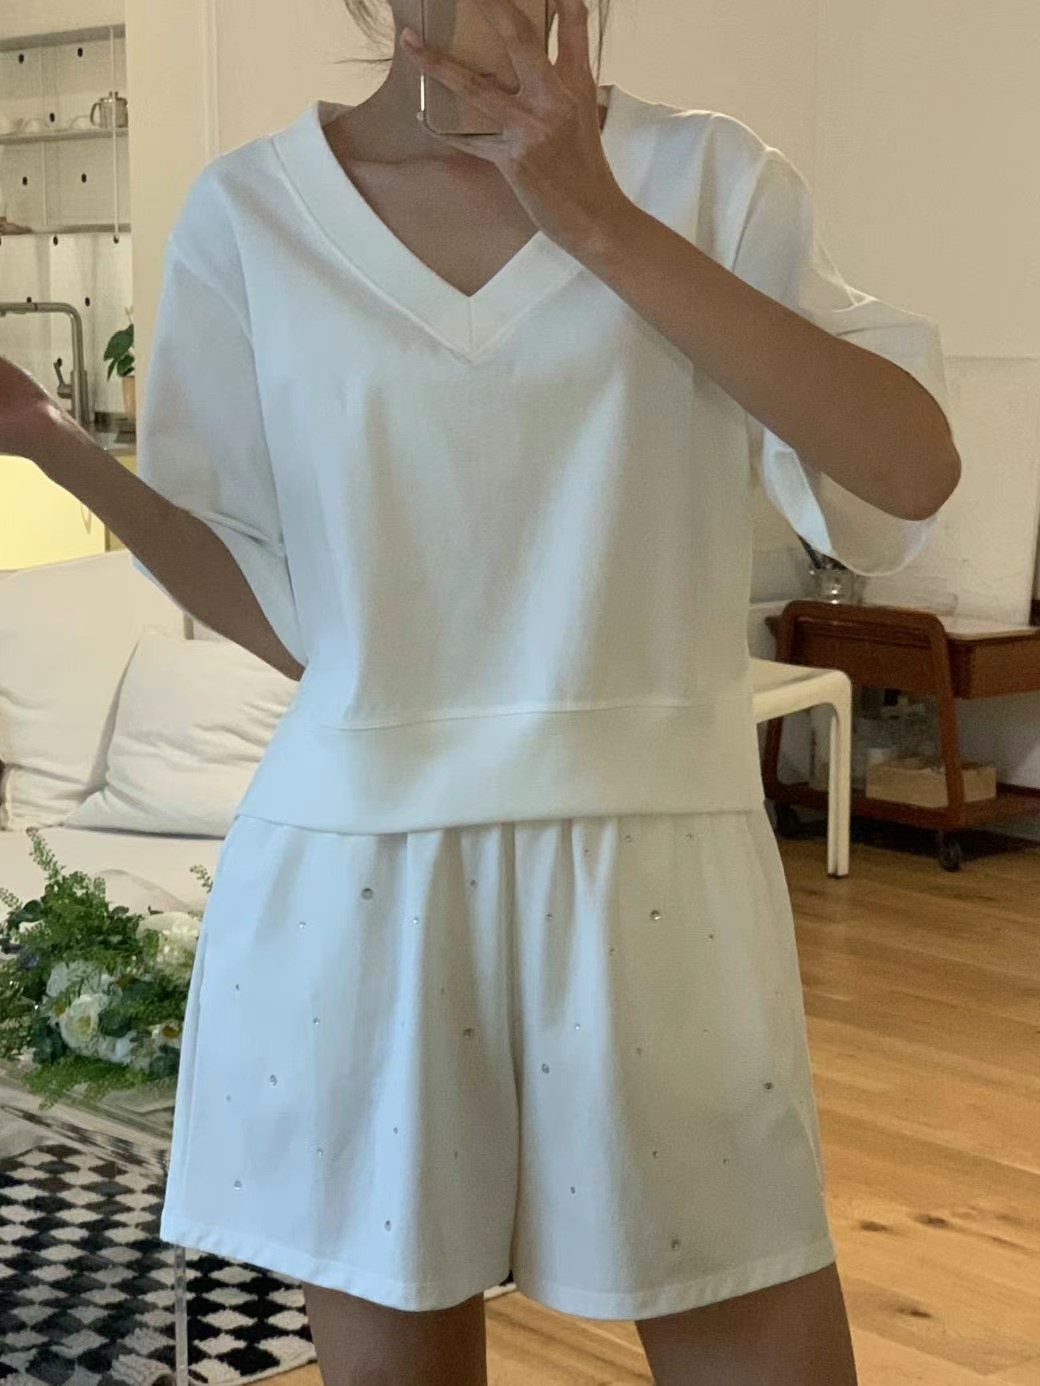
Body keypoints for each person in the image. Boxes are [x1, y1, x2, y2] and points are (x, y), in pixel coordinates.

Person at [0, 0, 961, 1381]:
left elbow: (911, 471)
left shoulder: (709, 181)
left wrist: (598, 221)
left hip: (656, 871)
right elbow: (291, 619)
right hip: (357, 878)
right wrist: (46, 439)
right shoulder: (252, 214)